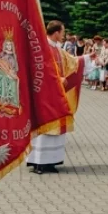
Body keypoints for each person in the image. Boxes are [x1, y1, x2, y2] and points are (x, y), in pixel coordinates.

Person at [27, 21, 74, 174]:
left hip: (57, 95)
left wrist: (86, 59)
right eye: (63, 32)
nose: (64, 35)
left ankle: (50, 162)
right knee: (43, 128)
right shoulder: (42, 47)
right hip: (44, 95)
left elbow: (71, 62)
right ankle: (38, 163)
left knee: (55, 129)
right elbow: (39, 69)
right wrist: (56, 79)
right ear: (56, 33)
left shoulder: (57, 49)